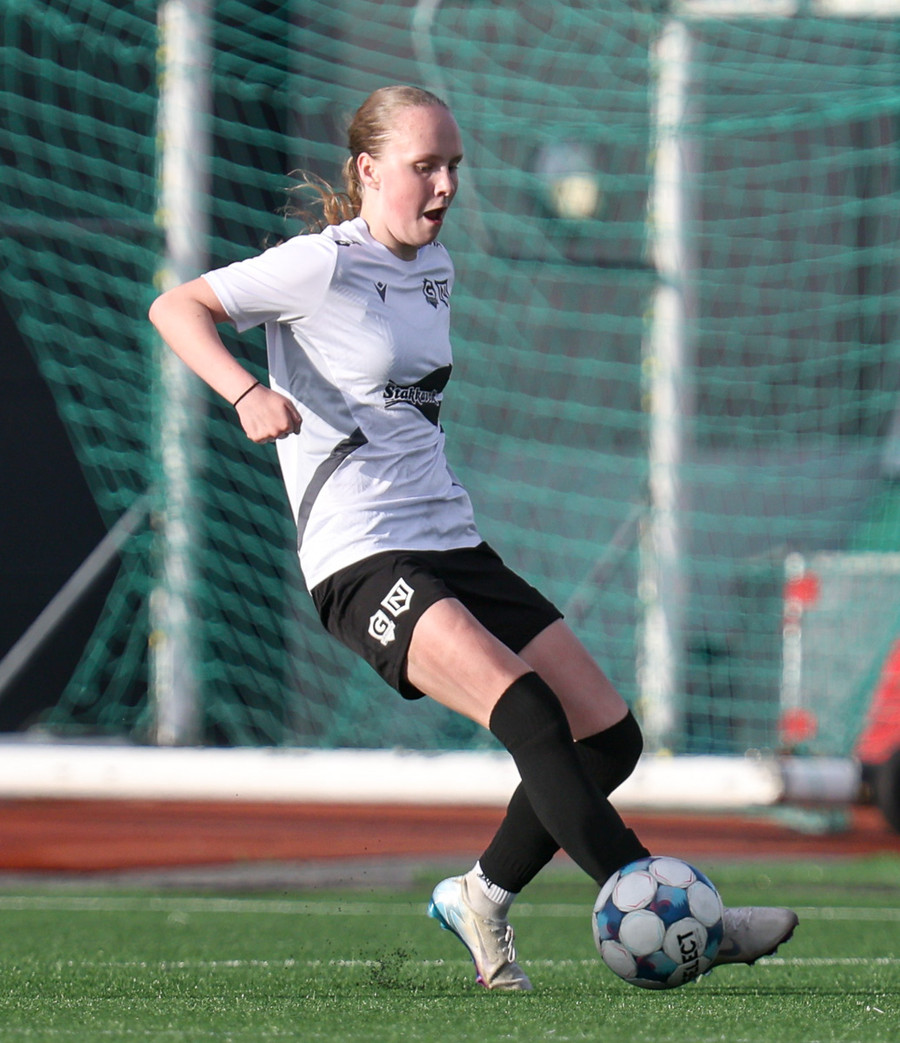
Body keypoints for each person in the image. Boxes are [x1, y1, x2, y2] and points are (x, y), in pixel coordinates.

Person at [149, 84, 797, 991]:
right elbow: (176, 307)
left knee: (609, 739)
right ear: (369, 170)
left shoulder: (435, 265)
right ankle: (685, 916)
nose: (446, 184)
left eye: (454, 165)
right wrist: (247, 392)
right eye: (425, 166)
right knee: (528, 712)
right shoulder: (318, 264)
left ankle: (481, 895)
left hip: (452, 541)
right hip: (363, 559)